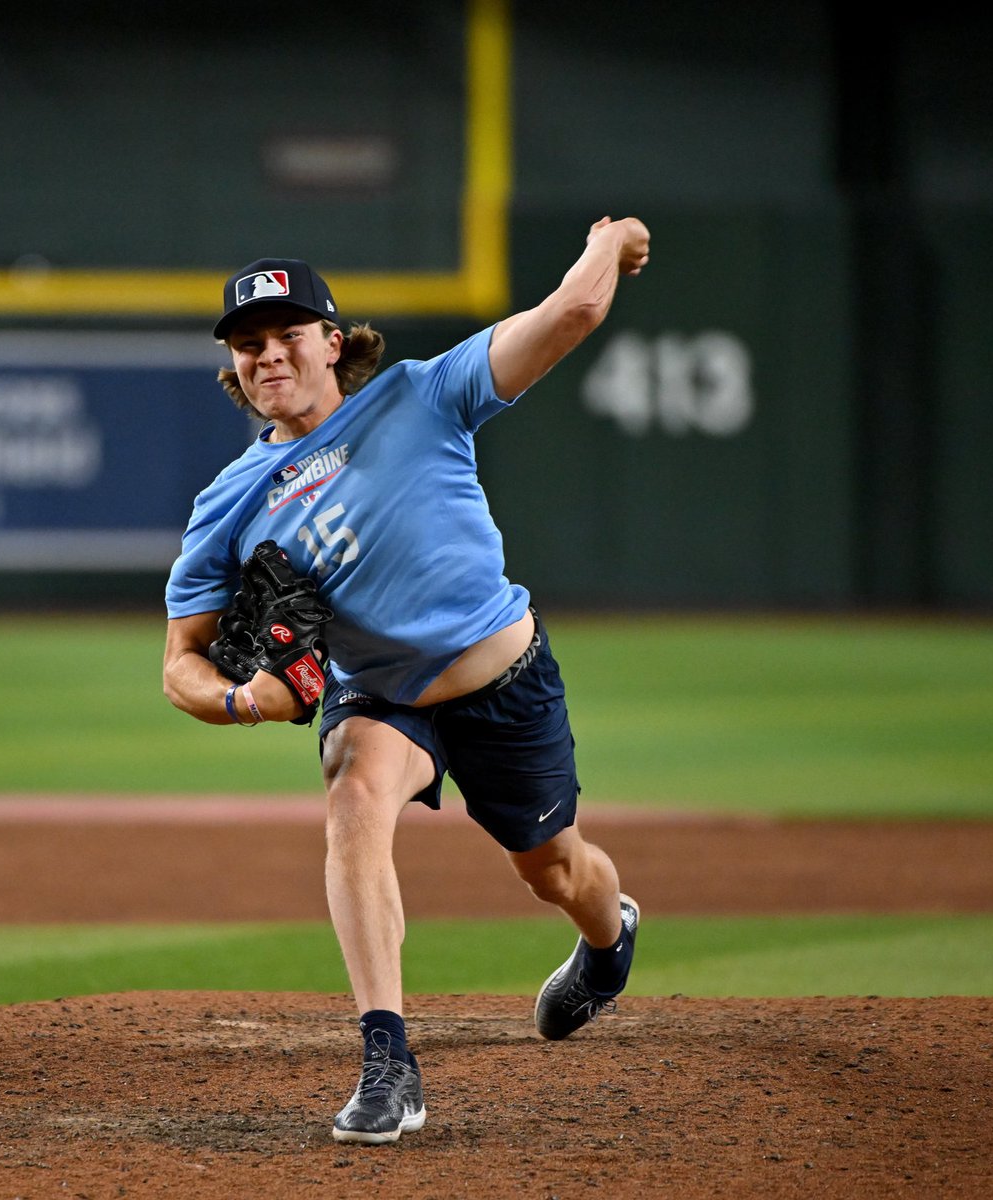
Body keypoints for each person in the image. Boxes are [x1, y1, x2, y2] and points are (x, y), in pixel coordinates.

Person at [163, 215, 650, 1145]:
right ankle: (388, 1062)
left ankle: (607, 938)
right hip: (379, 694)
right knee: (352, 791)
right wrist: (238, 700)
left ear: (332, 343)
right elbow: (180, 662)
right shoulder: (227, 502)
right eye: (248, 344)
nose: (269, 356)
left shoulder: (424, 396)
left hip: (503, 679)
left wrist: (609, 239)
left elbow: (576, 310)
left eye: (287, 334)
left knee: (555, 869)